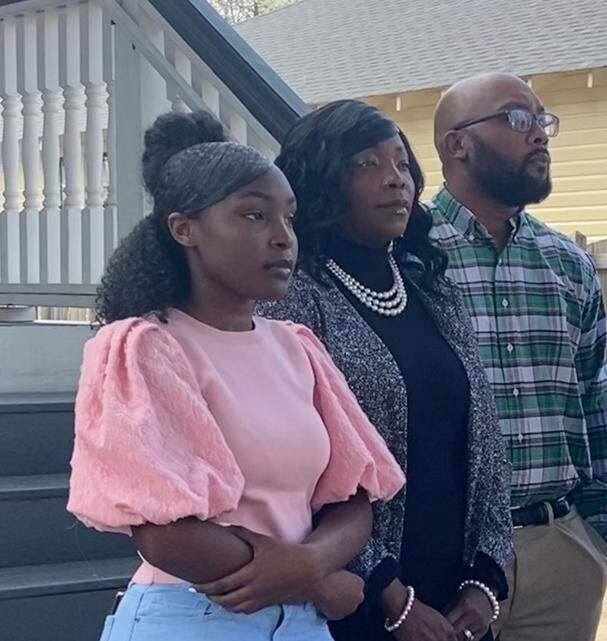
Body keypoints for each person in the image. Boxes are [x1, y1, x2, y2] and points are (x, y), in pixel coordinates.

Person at [67, 110, 406, 641]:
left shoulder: (296, 347)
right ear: (185, 229)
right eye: (254, 216)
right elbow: (164, 534)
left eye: (288, 219)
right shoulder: (146, 348)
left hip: (300, 627)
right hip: (190, 618)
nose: (282, 238)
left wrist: (309, 565)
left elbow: (354, 497)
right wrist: (314, 582)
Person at [258, 99, 512, 641]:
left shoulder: (430, 288)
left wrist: (487, 579)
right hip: (353, 604)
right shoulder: (292, 299)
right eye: (368, 165)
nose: (396, 181)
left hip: (457, 602)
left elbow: (484, 436)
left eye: (401, 164)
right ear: (323, 179)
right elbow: (301, 468)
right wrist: (390, 595)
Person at [428, 72, 607, 641]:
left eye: (543, 120)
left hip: (559, 549)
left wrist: (598, 529)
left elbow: (596, 398)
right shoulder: (405, 254)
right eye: (518, 118)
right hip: (446, 554)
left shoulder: (567, 263)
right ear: (456, 144)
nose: (539, 133)